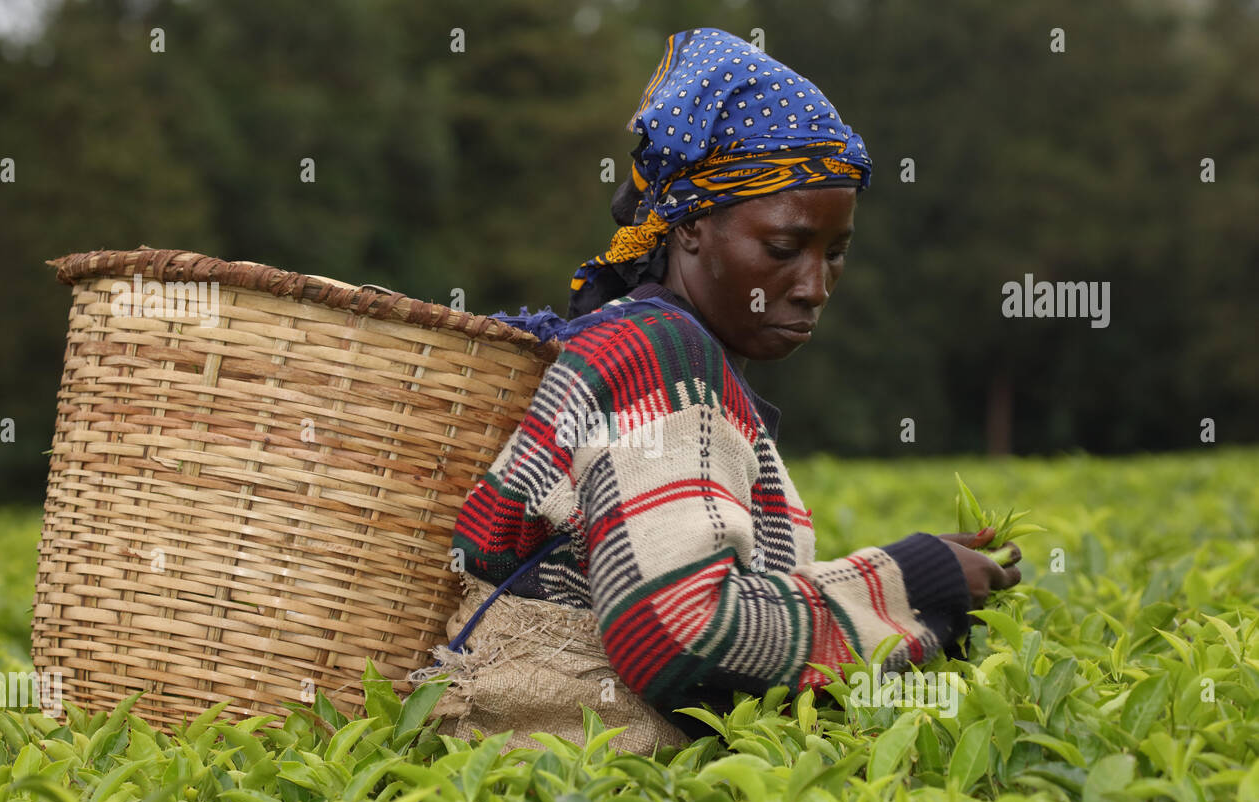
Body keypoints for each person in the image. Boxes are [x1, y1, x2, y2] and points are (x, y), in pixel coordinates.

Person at [414, 28, 1022, 755]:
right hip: (564, 781)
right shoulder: (657, 356)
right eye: (784, 248)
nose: (814, 286)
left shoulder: (634, 343)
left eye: (836, 253)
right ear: (694, 227)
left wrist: (921, 580)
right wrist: (908, 583)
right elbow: (679, 635)